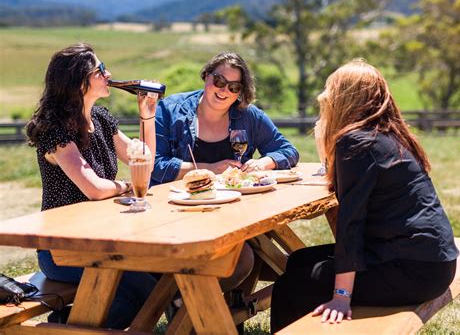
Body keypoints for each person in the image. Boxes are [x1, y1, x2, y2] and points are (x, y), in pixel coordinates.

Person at [270, 59, 459, 332]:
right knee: (299, 260)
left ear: (344, 98)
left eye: (329, 90)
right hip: (430, 260)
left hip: (413, 270)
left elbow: (351, 222)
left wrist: (341, 297)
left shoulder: (357, 141)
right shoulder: (388, 134)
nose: (323, 96)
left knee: (291, 286)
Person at [26, 43, 159, 329]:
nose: (108, 73)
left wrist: (147, 115)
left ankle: (68, 322)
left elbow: (144, 164)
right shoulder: (55, 130)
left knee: (156, 281)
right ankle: (64, 325)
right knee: (147, 291)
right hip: (61, 247)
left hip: (101, 240)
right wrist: (126, 185)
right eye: (100, 69)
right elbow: (94, 189)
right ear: (79, 81)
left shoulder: (101, 119)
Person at [150, 52, 300, 293]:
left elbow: (287, 150)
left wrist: (264, 163)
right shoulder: (169, 110)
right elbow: (155, 165)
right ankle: (190, 306)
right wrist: (209, 170)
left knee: (243, 258)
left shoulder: (248, 115)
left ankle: (197, 307)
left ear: (240, 91)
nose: (224, 90)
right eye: (219, 81)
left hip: (233, 216)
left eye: (233, 86)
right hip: (178, 214)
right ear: (206, 76)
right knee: (241, 259)